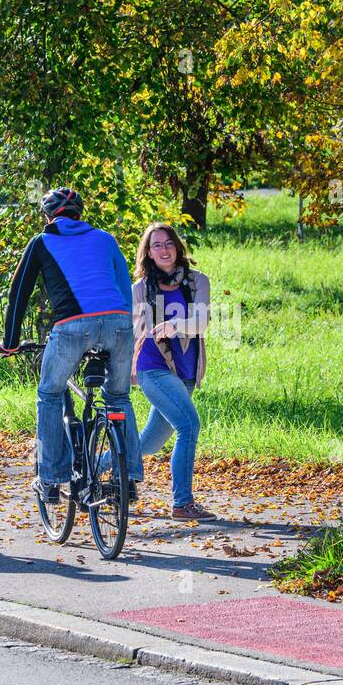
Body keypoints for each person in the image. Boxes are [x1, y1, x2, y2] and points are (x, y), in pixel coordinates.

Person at [0, 187, 143, 502]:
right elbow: (123, 286)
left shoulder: (41, 242)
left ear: (48, 216)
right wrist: (125, 329)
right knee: (118, 399)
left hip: (72, 327)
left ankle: (50, 479)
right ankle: (127, 479)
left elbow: (18, 294)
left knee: (49, 394)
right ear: (80, 214)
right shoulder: (105, 239)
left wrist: (10, 342)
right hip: (119, 324)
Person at [128, 223, 215, 521]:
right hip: (153, 368)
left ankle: (88, 467)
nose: (163, 250)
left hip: (186, 372)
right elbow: (132, 333)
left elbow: (201, 322)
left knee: (148, 444)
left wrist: (174, 325)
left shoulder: (197, 282)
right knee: (189, 425)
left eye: (168, 243)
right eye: (156, 245)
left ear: (177, 247)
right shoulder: (139, 289)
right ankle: (182, 503)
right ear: (148, 253)